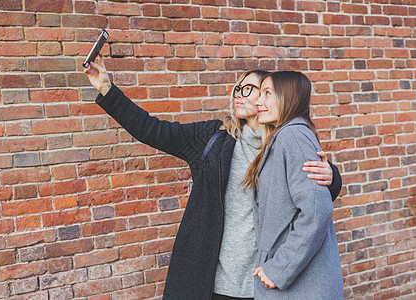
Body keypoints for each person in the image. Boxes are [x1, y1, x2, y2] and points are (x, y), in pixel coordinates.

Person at [84, 55, 342, 300]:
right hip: (215, 283)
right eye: (238, 88)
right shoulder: (212, 137)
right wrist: (108, 89)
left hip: (267, 284)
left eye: (252, 89)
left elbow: (310, 197)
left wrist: (333, 176)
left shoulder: (284, 142)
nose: (239, 93)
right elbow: (153, 130)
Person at [243, 71, 344, 299]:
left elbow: (317, 211)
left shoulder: (293, 137)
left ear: (289, 97)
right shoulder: (283, 137)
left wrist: (279, 268)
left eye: (267, 93)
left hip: (299, 286)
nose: (258, 101)